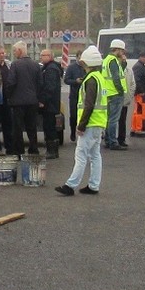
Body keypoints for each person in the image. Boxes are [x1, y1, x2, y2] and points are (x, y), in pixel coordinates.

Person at [55, 46, 107, 196]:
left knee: (81, 154)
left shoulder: (90, 80)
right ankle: (93, 185)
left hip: (90, 123)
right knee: (95, 155)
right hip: (98, 122)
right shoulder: (100, 78)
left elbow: (88, 105)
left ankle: (70, 185)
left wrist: (81, 125)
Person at [6, 43, 41, 155]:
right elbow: (40, 83)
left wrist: (8, 95)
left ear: (20, 51)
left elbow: (11, 82)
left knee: (17, 128)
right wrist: (37, 97)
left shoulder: (15, 65)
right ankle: (33, 149)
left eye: (15, 51)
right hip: (32, 101)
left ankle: (19, 150)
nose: (14, 53)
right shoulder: (36, 65)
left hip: (18, 102)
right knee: (32, 127)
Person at [102, 38, 130, 150]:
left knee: (109, 119)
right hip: (115, 93)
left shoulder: (107, 60)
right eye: (122, 50)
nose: (123, 53)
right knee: (114, 119)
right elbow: (116, 77)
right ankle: (113, 142)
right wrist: (120, 90)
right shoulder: (113, 61)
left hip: (108, 92)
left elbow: (119, 72)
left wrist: (123, 63)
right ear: (117, 49)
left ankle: (108, 140)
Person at [36, 48, 64, 159]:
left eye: (43, 55)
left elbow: (49, 87)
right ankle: (52, 150)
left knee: (49, 127)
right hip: (51, 104)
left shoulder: (51, 69)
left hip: (50, 104)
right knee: (49, 127)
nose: (41, 57)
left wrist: (42, 100)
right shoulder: (48, 68)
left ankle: (52, 151)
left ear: (50, 56)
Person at [63, 51, 86, 143]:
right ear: (77, 57)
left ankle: (82, 132)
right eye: (80, 58)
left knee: (84, 115)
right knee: (73, 116)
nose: (81, 60)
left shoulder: (86, 67)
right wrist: (75, 81)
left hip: (85, 95)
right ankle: (73, 131)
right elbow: (66, 80)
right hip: (74, 95)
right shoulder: (71, 67)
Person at [131, 52, 145, 138]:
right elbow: (137, 80)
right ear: (141, 57)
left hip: (141, 92)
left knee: (138, 111)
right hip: (141, 93)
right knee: (141, 112)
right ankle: (139, 130)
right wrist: (141, 91)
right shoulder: (139, 67)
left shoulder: (140, 66)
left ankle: (135, 128)